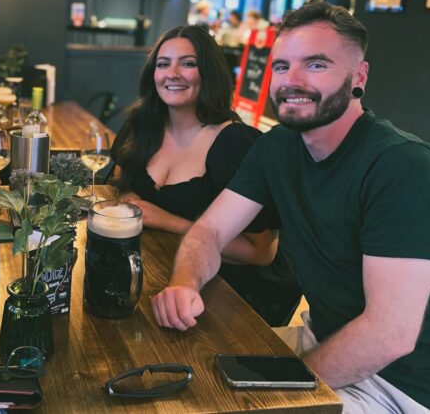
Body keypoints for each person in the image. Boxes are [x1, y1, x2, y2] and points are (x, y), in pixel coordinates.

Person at [152, 0, 430, 412]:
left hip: (400, 386)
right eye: (282, 66)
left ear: (359, 77)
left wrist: (287, 384)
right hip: (321, 340)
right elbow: (210, 231)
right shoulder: (278, 146)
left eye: (315, 65)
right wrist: (184, 282)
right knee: (174, 381)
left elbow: (389, 334)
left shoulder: (401, 165)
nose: (291, 80)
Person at [111, 25, 300, 325]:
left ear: (209, 72)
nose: (172, 73)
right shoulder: (142, 125)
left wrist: (164, 219)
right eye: (163, 64)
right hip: (160, 268)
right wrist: (130, 198)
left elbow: (262, 252)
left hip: (236, 295)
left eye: (188, 63)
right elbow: (121, 186)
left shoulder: (235, 144)